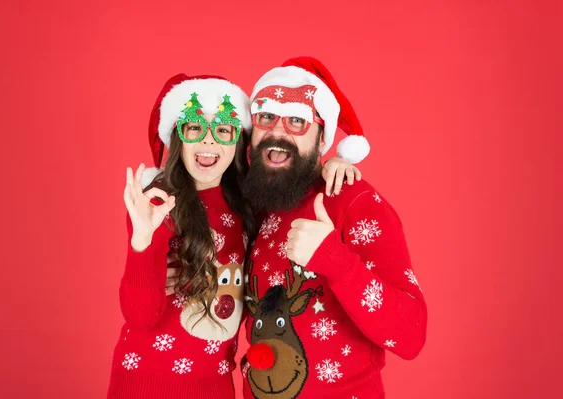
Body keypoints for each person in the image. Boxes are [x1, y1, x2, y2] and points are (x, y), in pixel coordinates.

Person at [108, 72, 363, 398]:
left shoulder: (248, 204)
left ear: (238, 140)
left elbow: (291, 175)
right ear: (178, 138)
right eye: (195, 128)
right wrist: (142, 241)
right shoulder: (157, 202)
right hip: (146, 381)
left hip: (214, 383)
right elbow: (140, 317)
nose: (208, 141)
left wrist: (332, 164)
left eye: (223, 130)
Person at [239, 57, 428, 399]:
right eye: (266, 116)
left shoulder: (353, 200)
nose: (277, 132)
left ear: (322, 137)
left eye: (297, 121)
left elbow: (410, 335)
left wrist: (334, 259)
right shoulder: (255, 207)